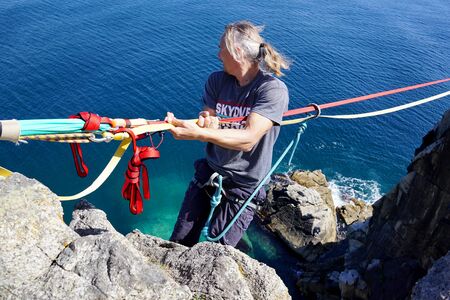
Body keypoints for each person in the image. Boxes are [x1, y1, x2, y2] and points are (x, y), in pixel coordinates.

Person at [166, 20, 290, 247]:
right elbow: (208, 116)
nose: (218, 54)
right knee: (179, 241)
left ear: (237, 52)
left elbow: (248, 139)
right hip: (211, 171)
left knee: (218, 251)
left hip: (245, 184)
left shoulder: (272, 90)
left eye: (221, 48)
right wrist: (200, 122)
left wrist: (199, 135)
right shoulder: (217, 81)